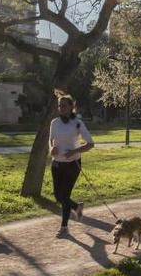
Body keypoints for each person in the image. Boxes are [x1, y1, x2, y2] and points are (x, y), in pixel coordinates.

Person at [49, 94, 95, 237]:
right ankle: (76, 206)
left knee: (65, 194)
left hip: (72, 164)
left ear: (71, 107)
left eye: (64, 105)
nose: (61, 108)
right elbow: (51, 140)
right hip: (57, 163)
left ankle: (64, 227)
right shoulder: (54, 122)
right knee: (58, 196)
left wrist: (74, 151)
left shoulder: (77, 123)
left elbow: (90, 144)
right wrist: (51, 149)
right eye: (59, 105)